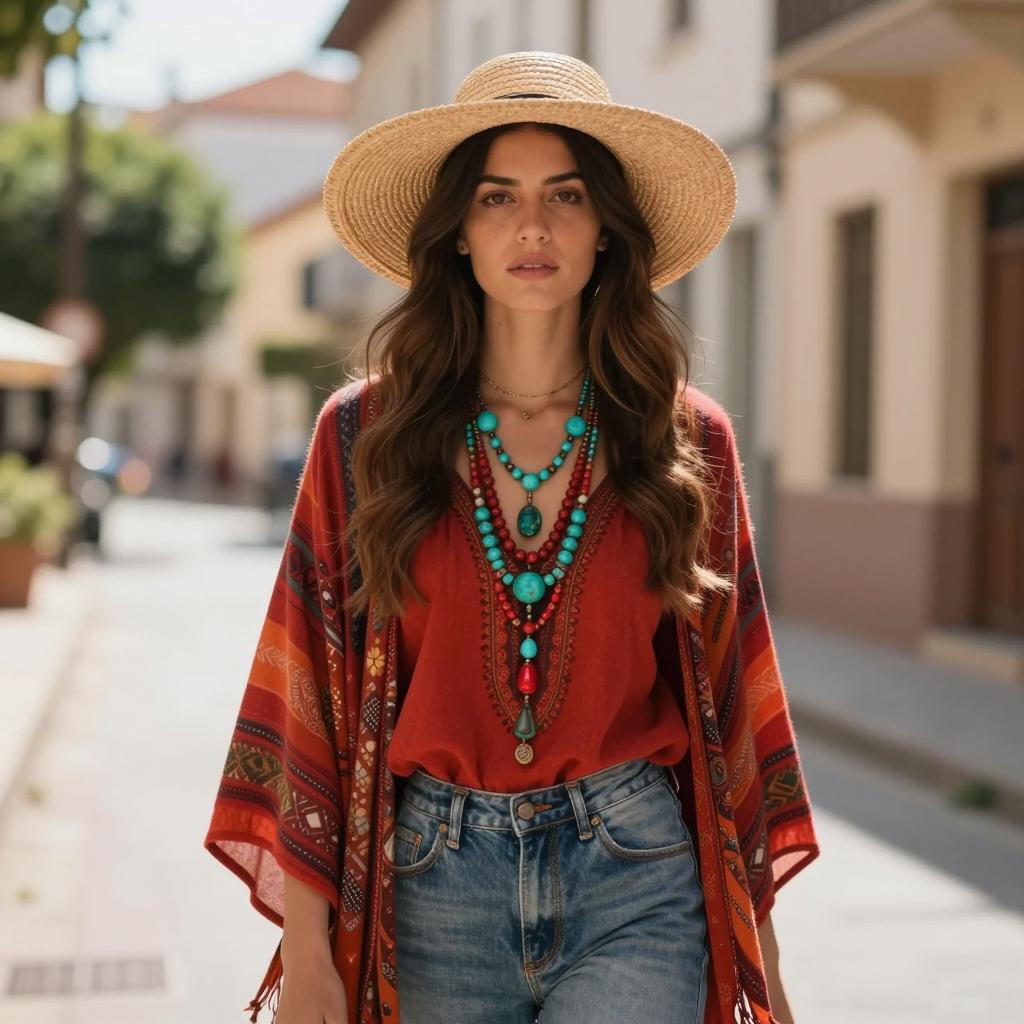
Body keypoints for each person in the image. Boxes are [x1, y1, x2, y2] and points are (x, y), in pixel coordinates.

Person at [204, 51, 820, 1024]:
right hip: (432, 884)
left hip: (637, 875)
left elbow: (730, 692)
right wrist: (309, 952)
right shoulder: (364, 436)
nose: (532, 226)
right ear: (457, 229)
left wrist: (764, 964)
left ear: (606, 228)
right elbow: (308, 683)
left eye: (566, 195)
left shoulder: (683, 438)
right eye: (497, 197)